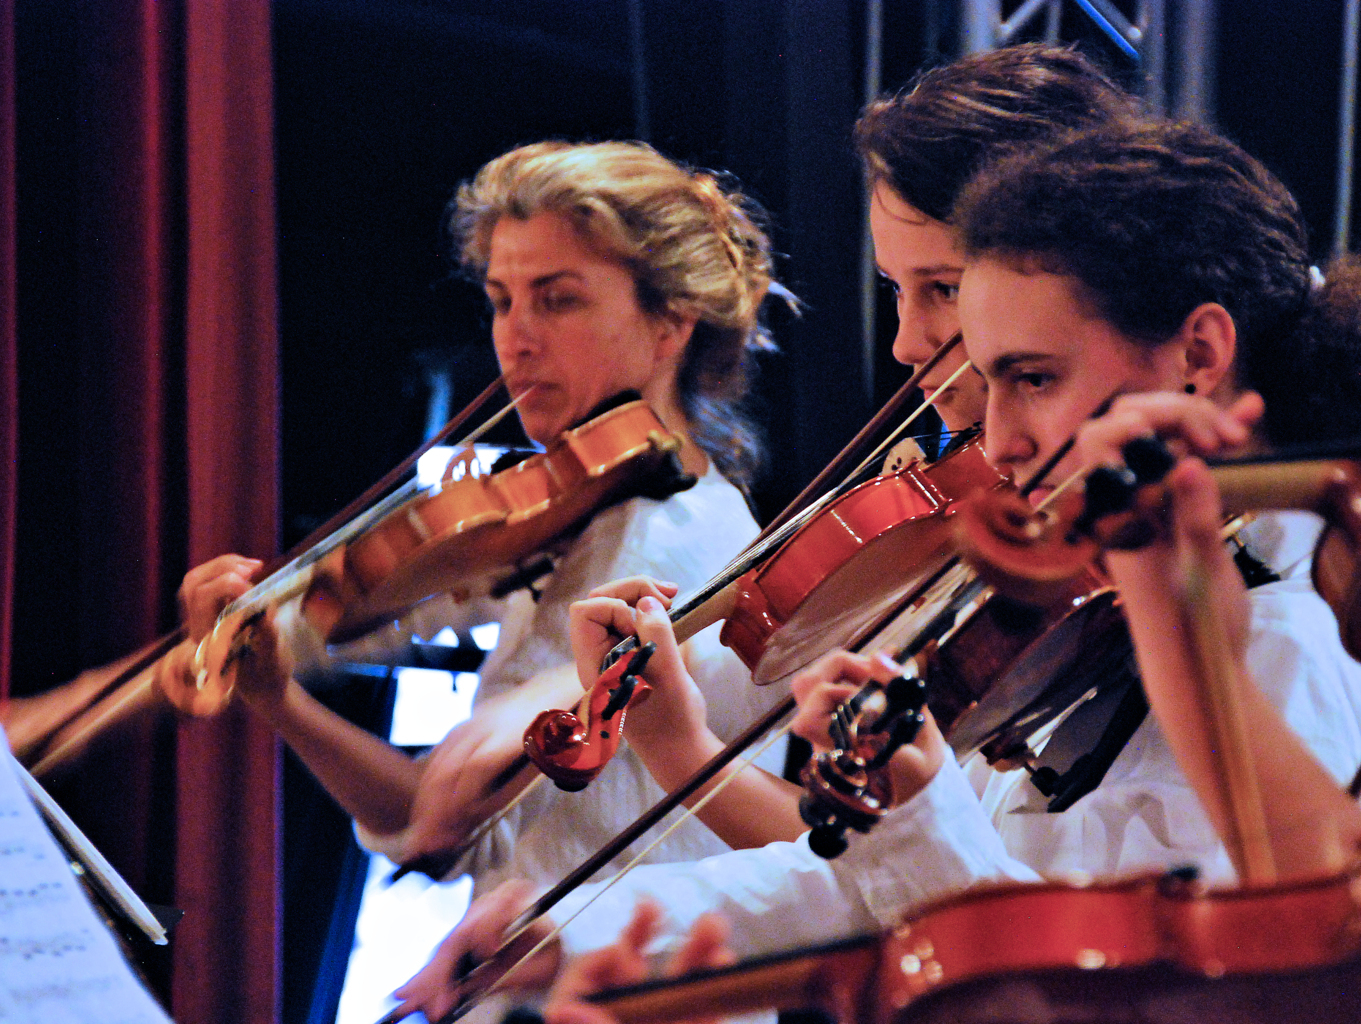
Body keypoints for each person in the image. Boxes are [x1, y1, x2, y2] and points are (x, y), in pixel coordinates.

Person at [406, 116, 1361, 1018]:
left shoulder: (1291, 637)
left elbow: (1106, 996)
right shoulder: (1105, 616)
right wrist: (567, 929)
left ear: (1196, 354)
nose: (999, 436)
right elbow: (870, 885)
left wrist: (914, 813)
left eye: (1032, 378)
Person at [178, 141, 808, 920]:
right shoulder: (573, 524)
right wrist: (277, 700)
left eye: (558, 299)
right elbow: (447, 833)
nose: (515, 337)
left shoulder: (676, 547)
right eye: (502, 299)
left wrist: (292, 696)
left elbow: (441, 833)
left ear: (670, 324)